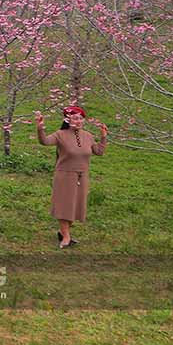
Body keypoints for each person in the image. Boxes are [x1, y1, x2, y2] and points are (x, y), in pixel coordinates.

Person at [35, 106, 107, 248]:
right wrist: (40, 128)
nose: (78, 121)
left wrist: (103, 137)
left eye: (80, 118)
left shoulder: (88, 136)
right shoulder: (60, 134)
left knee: (75, 207)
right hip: (64, 176)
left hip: (82, 176)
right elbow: (45, 141)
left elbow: (98, 151)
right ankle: (66, 237)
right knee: (64, 207)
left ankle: (63, 231)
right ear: (68, 120)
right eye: (75, 118)